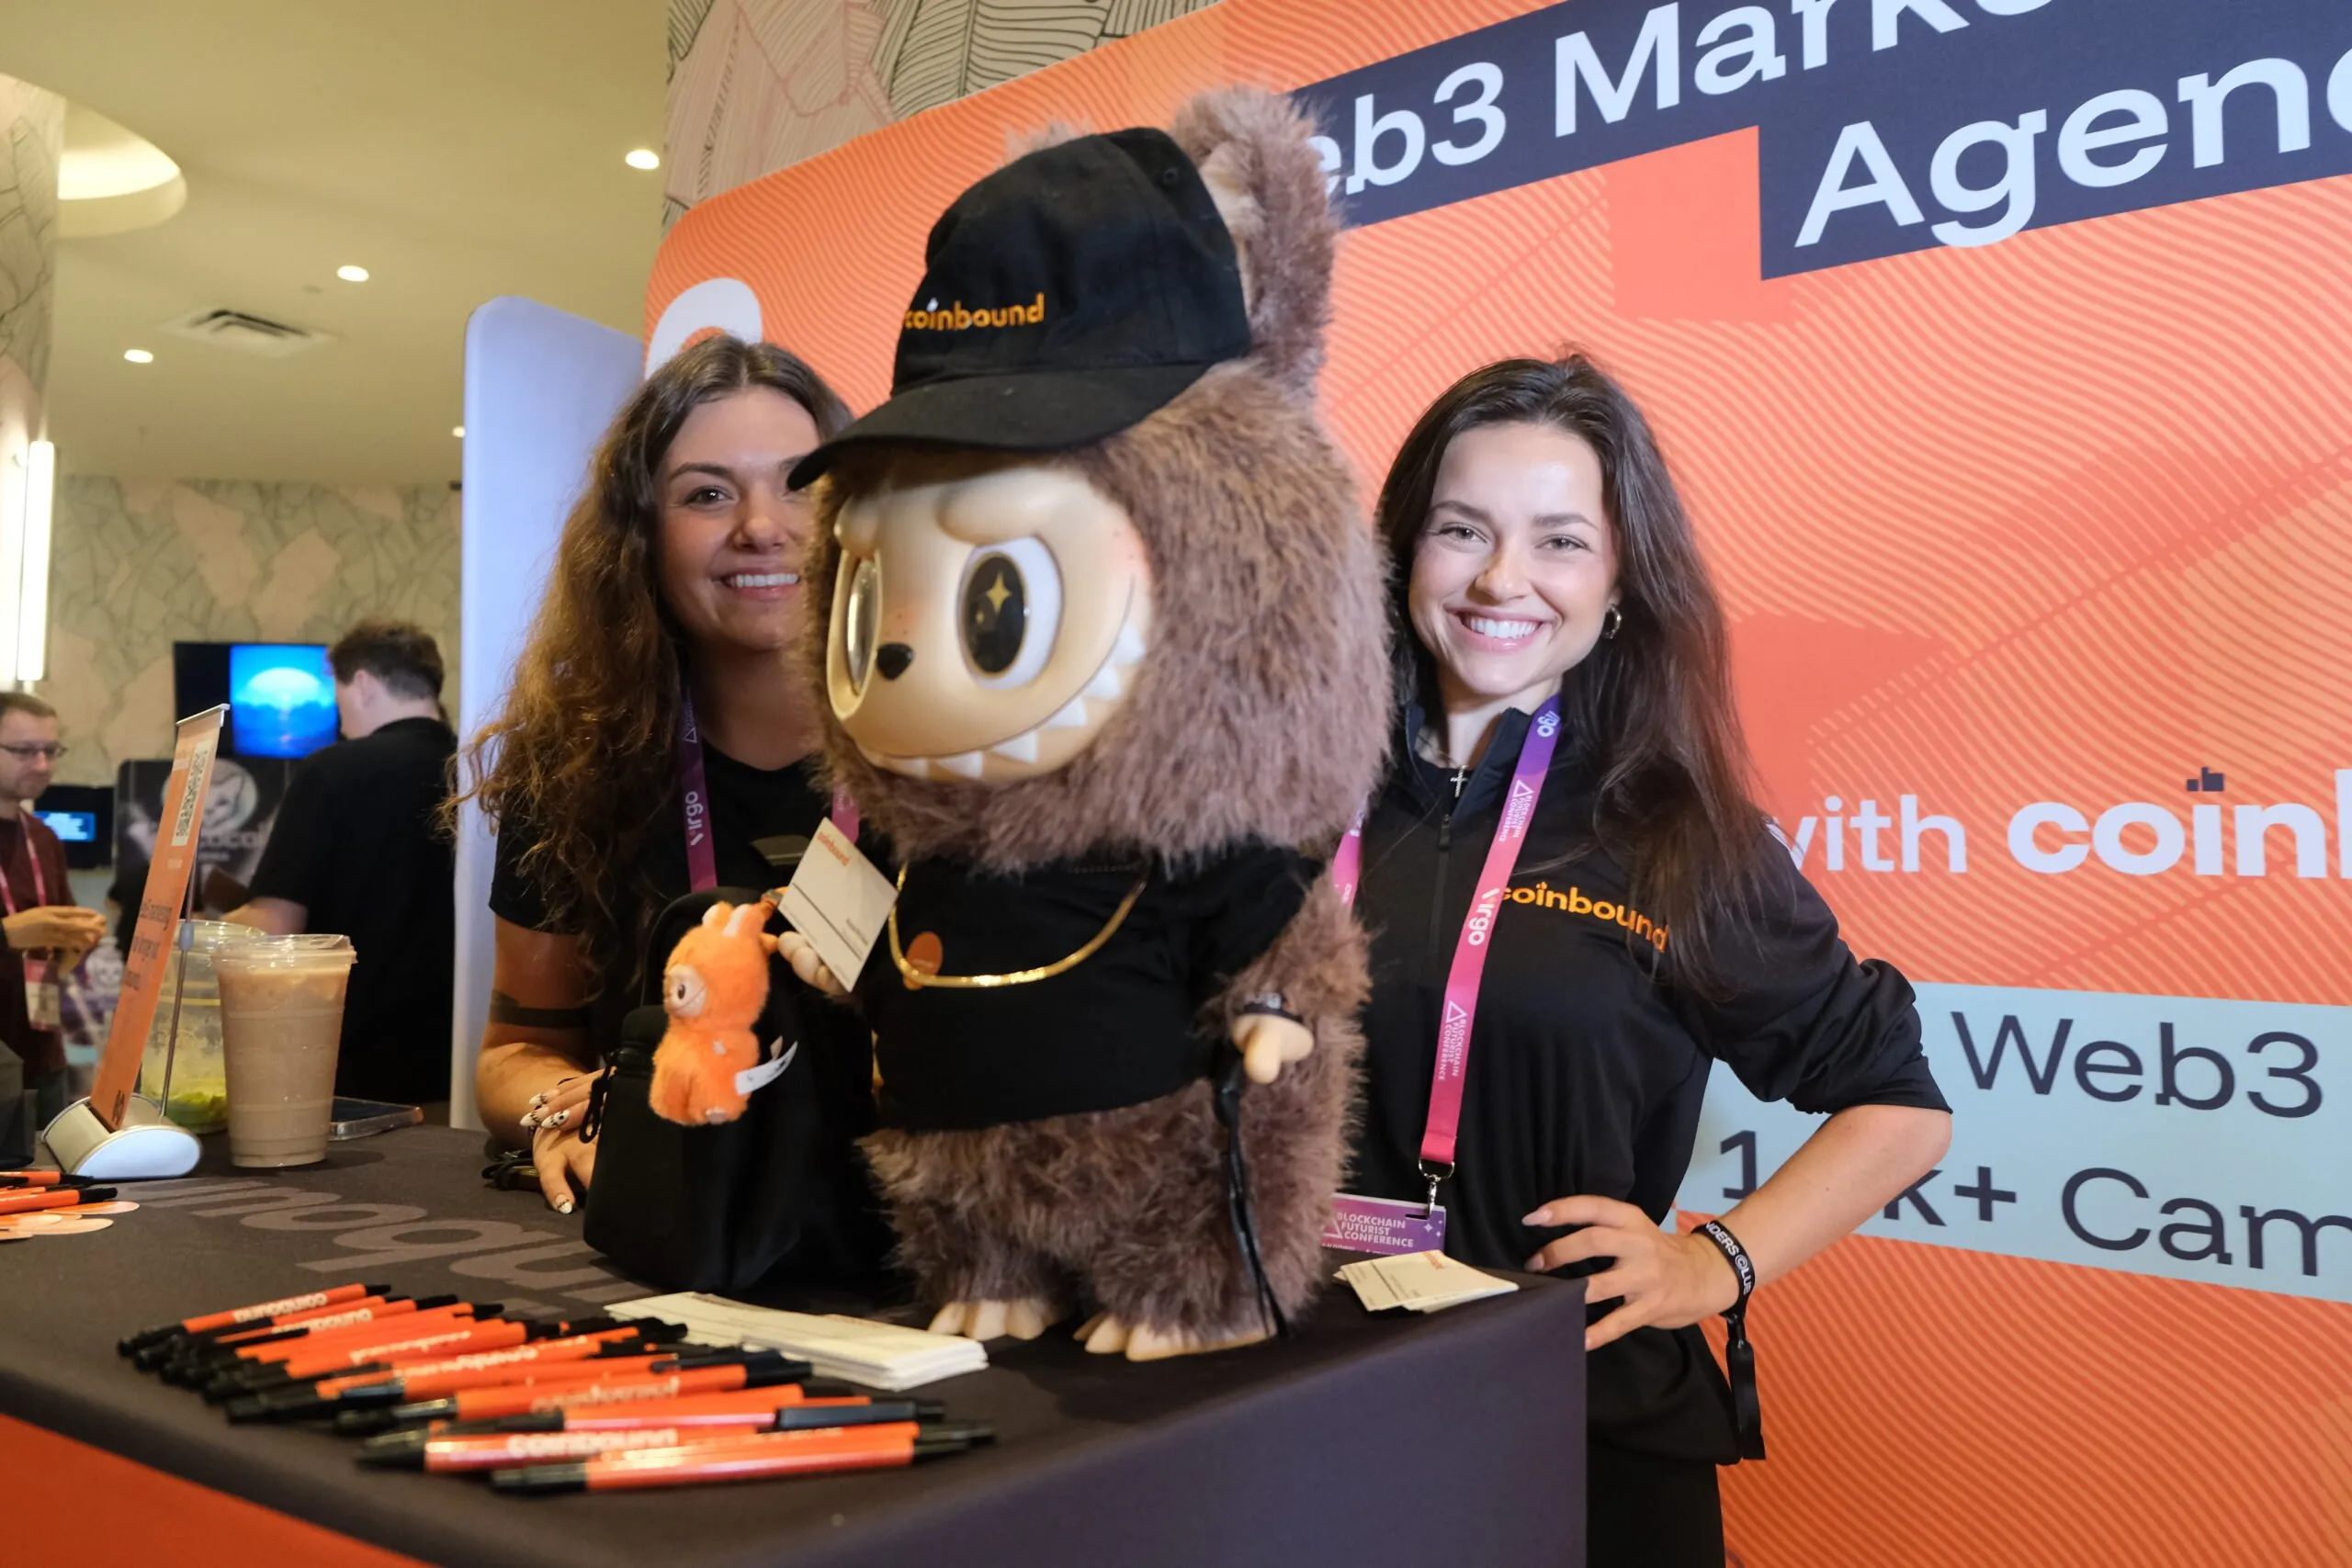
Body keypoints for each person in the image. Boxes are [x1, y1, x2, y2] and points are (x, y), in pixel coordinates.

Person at [1348, 355, 1953, 1566]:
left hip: (1576, 1424)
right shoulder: (1284, 802)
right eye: (1462, 529)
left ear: (1619, 581)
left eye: (1560, 541)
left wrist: (1711, 1261)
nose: (1501, 578)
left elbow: (1899, 1105)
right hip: (1297, 1403)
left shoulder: (1672, 832)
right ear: (1404, 550)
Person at [465, 334, 876, 1240]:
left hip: (906, 1239)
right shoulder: (574, 763)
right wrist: (575, 1107)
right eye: (707, 494)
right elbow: (517, 1052)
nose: (761, 525)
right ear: (640, 537)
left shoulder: (951, 757)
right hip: (681, 1230)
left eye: (801, 484)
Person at [227, 621, 458, 1105]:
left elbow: (273, 926)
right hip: (462, 1067)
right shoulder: (484, 769)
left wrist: (186, 936)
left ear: (364, 684)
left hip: (354, 1066)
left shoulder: (332, 770)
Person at [0, 693, 107, 1130]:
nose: (42, 764)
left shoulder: (43, 837)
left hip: (42, 1051)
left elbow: (58, 949)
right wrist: (8, 933)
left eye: (50, 750)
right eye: (24, 751)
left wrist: (78, 938)